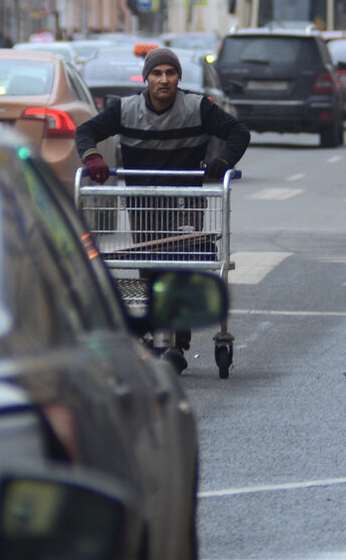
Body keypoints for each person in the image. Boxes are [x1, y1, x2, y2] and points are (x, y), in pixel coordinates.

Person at [74, 47, 250, 372]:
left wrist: (223, 161)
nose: (164, 80)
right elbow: (86, 131)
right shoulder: (125, 109)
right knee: (151, 269)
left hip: (185, 204)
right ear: (147, 78)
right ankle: (156, 335)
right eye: (157, 74)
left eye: (170, 73)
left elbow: (238, 132)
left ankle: (175, 344)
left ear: (178, 78)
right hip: (144, 205)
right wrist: (93, 158)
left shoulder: (196, 107)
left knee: (179, 268)